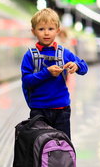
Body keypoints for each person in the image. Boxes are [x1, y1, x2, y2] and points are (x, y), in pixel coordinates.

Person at [21, 8, 88, 139]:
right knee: (39, 146)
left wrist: (76, 65)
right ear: (33, 31)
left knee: (61, 146)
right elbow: (26, 80)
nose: (46, 33)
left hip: (61, 109)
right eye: (41, 29)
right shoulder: (30, 55)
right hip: (38, 110)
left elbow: (84, 67)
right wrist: (47, 73)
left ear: (57, 31)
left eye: (51, 29)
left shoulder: (64, 53)